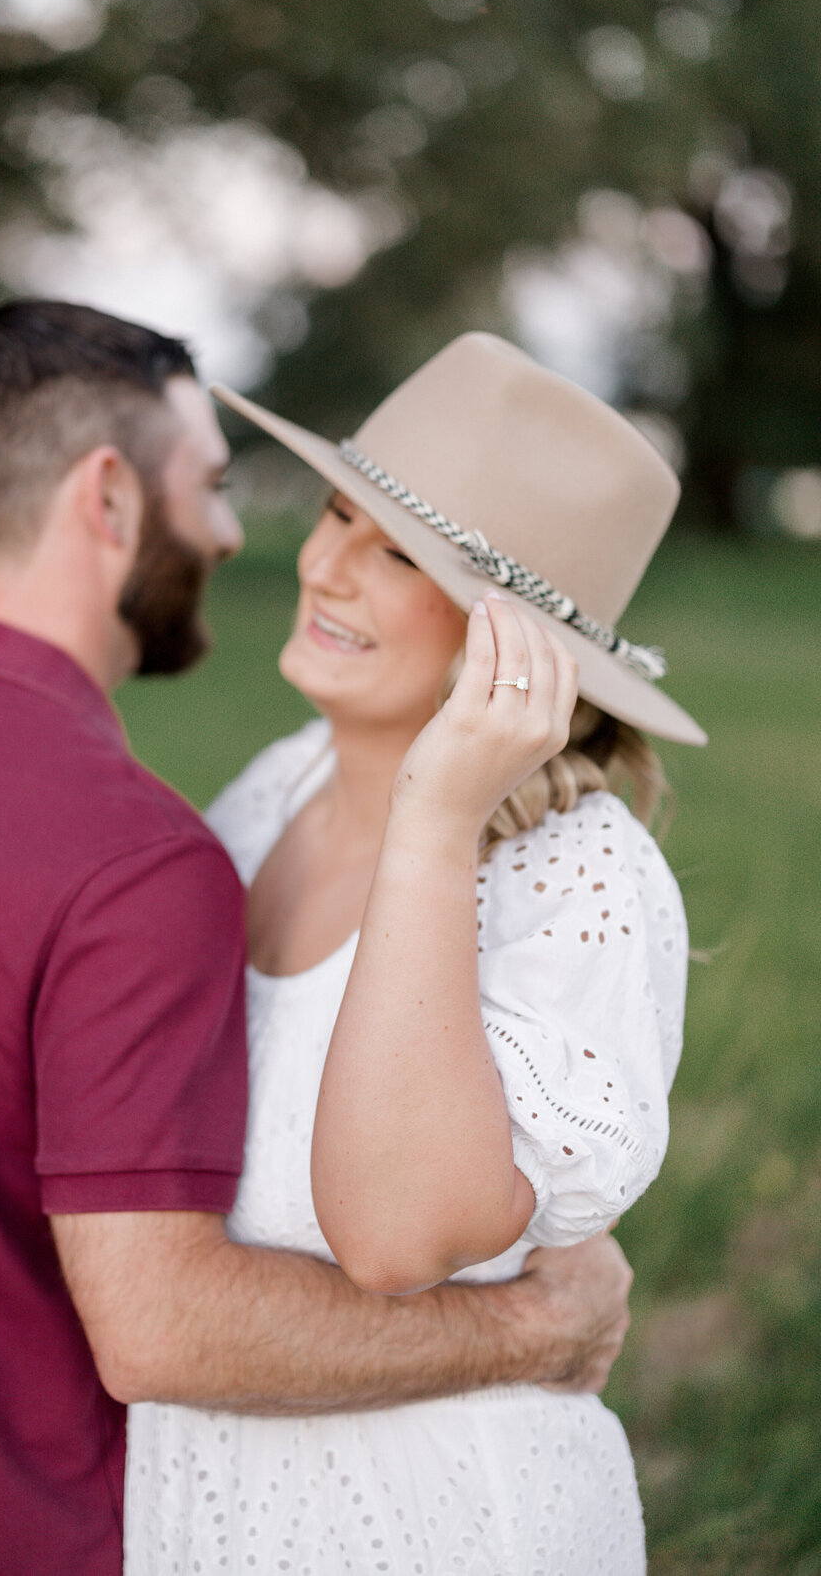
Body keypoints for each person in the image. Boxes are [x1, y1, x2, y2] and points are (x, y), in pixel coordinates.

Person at [0, 304, 633, 1576]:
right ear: (109, 499)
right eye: (216, 486)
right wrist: (529, 1329)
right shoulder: (155, 847)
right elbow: (162, 1327)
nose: (257, 542)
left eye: (398, 545)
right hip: (18, 1531)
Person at [125, 332, 706, 1575]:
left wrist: (437, 815)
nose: (324, 566)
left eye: (395, 552)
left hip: (443, 1527)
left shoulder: (574, 877)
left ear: (522, 648)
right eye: (335, 513)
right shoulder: (273, 792)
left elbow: (392, 1241)